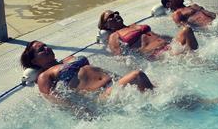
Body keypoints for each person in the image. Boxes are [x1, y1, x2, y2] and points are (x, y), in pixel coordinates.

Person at [20, 40, 153, 113]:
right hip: (101, 96)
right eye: (41, 50)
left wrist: (118, 78)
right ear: (34, 61)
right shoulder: (45, 75)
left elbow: (95, 71)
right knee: (138, 75)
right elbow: (54, 98)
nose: (47, 48)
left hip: (114, 83)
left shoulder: (68, 59)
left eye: (45, 46)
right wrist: (82, 112)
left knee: (150, 85)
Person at [98, 10, 198, 60]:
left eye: (116, 13)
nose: (116, 15)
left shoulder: (133, 25)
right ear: (106, 25)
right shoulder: (114, 36)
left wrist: (172, 39)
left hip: (169, 45)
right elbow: (120, 57)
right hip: (159, 53)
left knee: (187, 30)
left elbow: (156, 35)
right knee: (193, 59)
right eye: (111, 16)